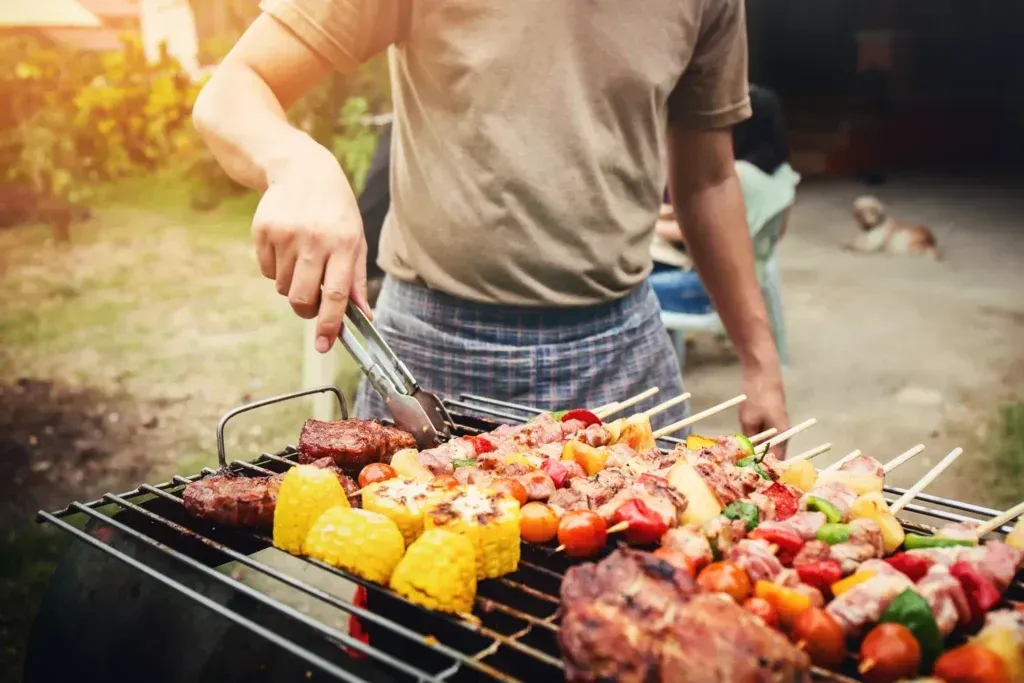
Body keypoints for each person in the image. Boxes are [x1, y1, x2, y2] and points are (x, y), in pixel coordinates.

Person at [192, 0, 790, 445]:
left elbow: (709, 179)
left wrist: (761, 364)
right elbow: (235, 89)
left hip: (621, 349)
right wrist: (298, 165)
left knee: (643, 607)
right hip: (434, 349)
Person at [650, 83, 800, 316]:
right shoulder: (781, 173)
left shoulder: (736, 177)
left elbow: (694, 232)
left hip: (711, 291)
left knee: (629, 290)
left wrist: (650, 228)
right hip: (748, 279)